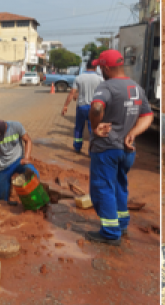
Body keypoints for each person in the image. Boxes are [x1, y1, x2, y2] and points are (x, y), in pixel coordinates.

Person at [87, 49, 154, 245]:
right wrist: (133, 133)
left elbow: (97, 107)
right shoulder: (136, 87)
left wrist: (94, 127)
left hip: (107, 148)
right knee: (119, 186)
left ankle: (110, 232)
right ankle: (122, 224)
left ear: (106, 68)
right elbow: (147, 115)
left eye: (100, 67)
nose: (100, 70)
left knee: (103, 188)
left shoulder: (106, 87)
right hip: (127, 150)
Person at [0, 120, 36, 202]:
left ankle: (35, 200)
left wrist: (26, 158)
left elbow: (28, 141)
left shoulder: (16, 126)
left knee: (32, 173)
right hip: (3, 166)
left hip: (18, 161)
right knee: (2, 198)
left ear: (6, 129)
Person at [61, 62, 103, 153]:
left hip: (81, 107)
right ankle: (92, 150)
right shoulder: (100, 79)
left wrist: (65, 106)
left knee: (79, 128)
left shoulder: (79, 78)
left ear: (86, 67)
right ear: (95, 67)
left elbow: (72, 92)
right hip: (94, 108)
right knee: (93, 129)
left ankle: (77, 147)